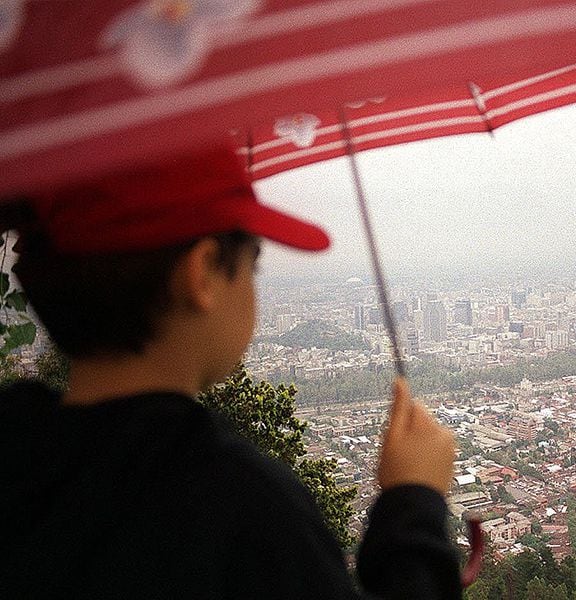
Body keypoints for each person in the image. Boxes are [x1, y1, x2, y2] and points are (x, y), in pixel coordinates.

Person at [0, 146, 461, 599]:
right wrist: (413, 501)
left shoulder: (17, 452)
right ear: (202, 274)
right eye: (252, 266)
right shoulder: (242, 510)